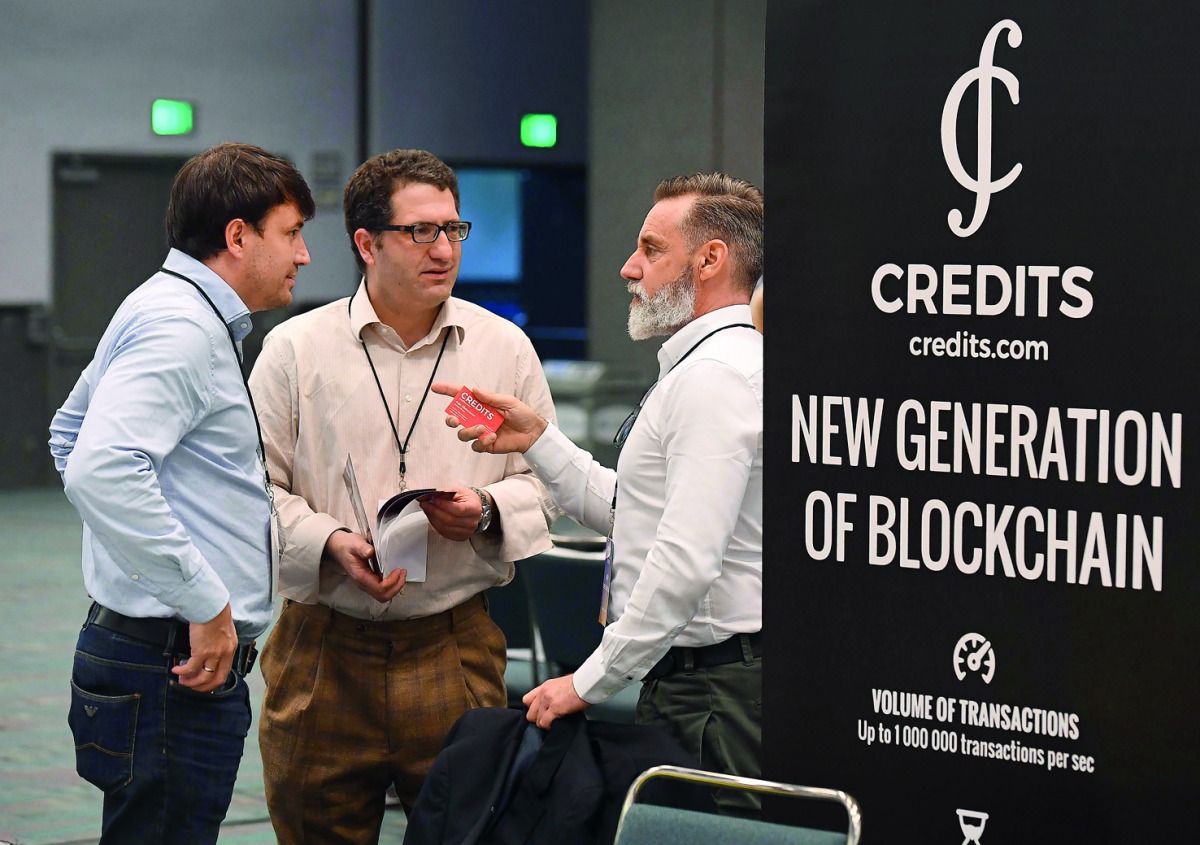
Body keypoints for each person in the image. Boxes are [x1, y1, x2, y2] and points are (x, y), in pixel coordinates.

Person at [248, 148, 558, 840]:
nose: (443, 248)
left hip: (453, 642)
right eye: (421, 231)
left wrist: (484, 511)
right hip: (323, 646)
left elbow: (547, 483)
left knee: (473, 832)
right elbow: (251, 491)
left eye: (454, 229)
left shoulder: (503, 347)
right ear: (367, 242)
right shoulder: (296, 351)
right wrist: (326, 541)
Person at [434, 172, 763, 815]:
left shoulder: (714, 380)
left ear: (710, 259)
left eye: (650, 248)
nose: (628, 267)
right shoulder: (699, 371)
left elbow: (686, 557)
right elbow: (633, 513)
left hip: (715, 692)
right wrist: (537, 440)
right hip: (692, 684)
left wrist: (589, 680)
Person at [48, 142, 314, 844]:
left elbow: (68, 434)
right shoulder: (181, 327)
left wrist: (137, 559)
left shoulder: (165, 306)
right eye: (291, 233)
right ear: (237, 235)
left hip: (150, 652)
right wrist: (204, 600)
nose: (304, 255)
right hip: (173, 666)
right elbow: (98, 467)